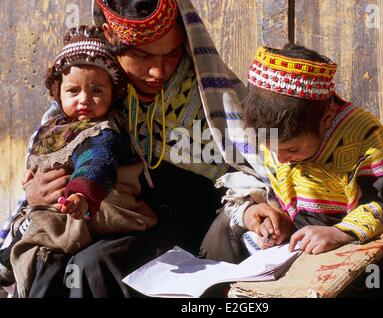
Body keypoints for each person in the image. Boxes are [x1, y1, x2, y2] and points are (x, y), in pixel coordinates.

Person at [1, 0, 257, 297]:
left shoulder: (207, 94)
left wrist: (250, 202)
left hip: (186, 230)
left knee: (92, 266)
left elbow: (251, 167)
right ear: (110, 36)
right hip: (105, 224)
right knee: (52, 263)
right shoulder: (93, 97)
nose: (158, 71)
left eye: (172, 54)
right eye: (141, 54)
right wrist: (38, 195)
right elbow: (47, 168)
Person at [208, 44, 383, 296]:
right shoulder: (276, 140)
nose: (281, 160)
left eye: (293, 150)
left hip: (368, 243)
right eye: (270, 148)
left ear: (327, 119)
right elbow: (283, 192)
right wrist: (278, 218)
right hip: (305, 244)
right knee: (228, 224)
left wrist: (341, 233)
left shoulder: (365, 137)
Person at [0, 26, 157, 297]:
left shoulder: (103, 131)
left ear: (113, 93)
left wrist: (81, 195)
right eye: (73, 91)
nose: (84, 100)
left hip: (92, 209)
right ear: (58, 93)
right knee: (37, 238)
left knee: (45, 253)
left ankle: (9, 265)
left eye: (96, 90)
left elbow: (95, 163)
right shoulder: (52, 129)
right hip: (60, 211)